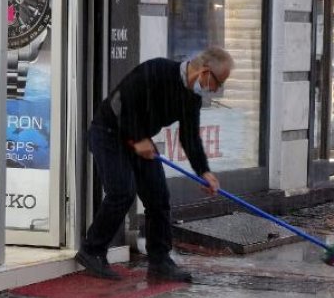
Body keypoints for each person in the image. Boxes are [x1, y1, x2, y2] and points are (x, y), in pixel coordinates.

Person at [77, 46, 234, 282]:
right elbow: (121, 103)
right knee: (122, 192)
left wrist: (204, 171)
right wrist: (138, 138)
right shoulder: (157, 70)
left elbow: (189, 137)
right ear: (204, 71)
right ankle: (92, 251)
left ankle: (160, 261)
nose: (216, 89)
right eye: (217, 82)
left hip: (140, 140)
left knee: (158, 197)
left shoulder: (192, 97)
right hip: (109, 132)